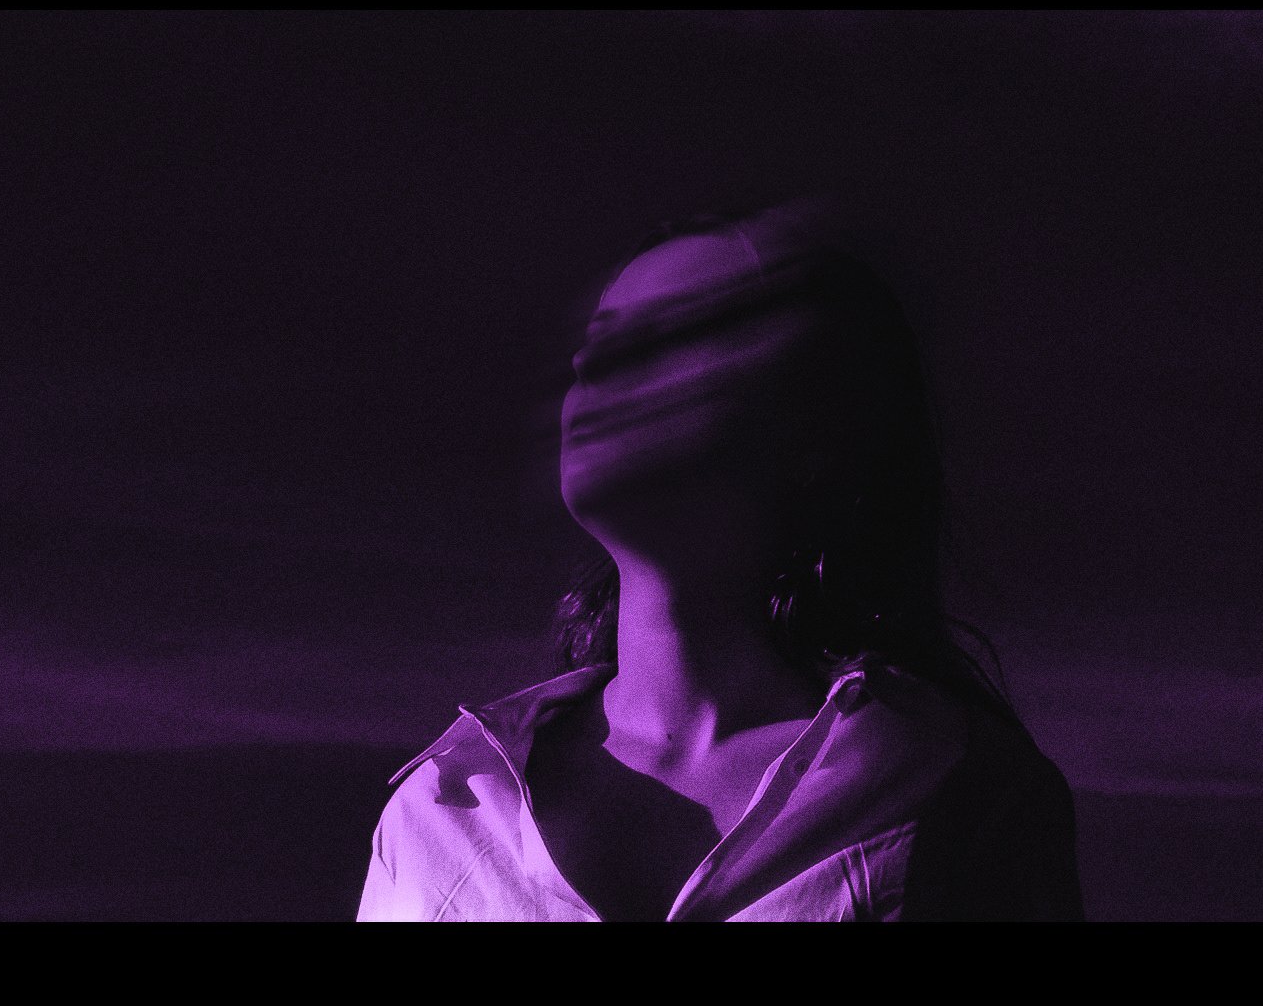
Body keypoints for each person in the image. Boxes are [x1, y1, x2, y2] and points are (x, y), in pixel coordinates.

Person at [358, 202, 1083, 921]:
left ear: (818, 424)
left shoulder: (958, 791)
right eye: (600, 340)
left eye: (679, 334)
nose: (592, 365)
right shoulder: (441, 809)